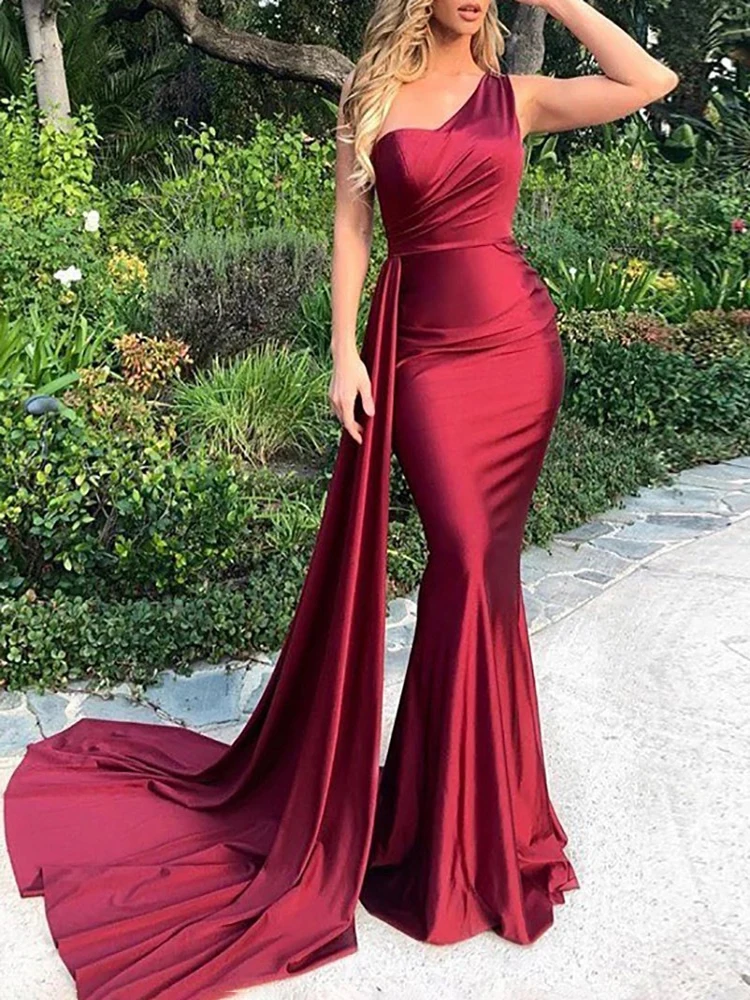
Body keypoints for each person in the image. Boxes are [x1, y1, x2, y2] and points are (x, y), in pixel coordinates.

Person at [3, 2, 679, 998]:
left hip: (518, 346)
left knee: (484, 574)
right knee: (462, 561)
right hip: (425, 357)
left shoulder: (517, 96)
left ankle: (474, 821)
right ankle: (458, 823)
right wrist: (341, 351)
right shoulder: (374, 95)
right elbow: (353, 225)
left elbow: (648, 82)